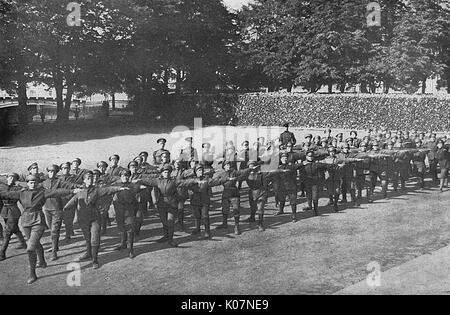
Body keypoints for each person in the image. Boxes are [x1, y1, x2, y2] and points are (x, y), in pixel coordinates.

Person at [0, 175, 78, 284]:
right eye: (30, 182)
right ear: (27, 183)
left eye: (34, 182)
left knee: (30, 248)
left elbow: (57, 192)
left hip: (38, 221)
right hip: (26, 222)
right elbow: (6, 193)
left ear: (37, 183)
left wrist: (72, 190)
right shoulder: (21, 193)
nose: (32, 184)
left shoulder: (42, 192)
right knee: (36, 244)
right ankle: (42, 262)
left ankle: (32, 274)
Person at [63, 172, 127, 269]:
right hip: (83, 219)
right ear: (84, 180)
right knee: (87, 238)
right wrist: (64, 209)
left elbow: (108, 190)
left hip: (95, 218)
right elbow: (70, 204)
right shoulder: (80, 192)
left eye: (92, 178)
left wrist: (119, 188)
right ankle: (88, 253)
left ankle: (95, 260)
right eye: (88, 178)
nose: (91, 179)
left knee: (95, 238)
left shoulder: (97, 191)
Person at [136, 165, 200, 247]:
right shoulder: (158, 181)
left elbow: (184, 182)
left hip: (172, 203)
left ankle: (171, 239)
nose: (167, 174)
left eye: (168, 172)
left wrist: (195, 181)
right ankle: (166, 236)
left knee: (170, 221)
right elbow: (148, 181)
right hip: (161, 204)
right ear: (162, 173)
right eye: (165, 172)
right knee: (164, 221)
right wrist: (139, 180)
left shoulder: (174, 181)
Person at [42, 164, 79, 261]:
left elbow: (69, 185)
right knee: (51, 230)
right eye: (50, 171)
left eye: (54, 171)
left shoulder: (60, 181)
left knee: (55, 231)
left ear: (56, 172)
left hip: (57, 209)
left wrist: (78, 187)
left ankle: (54, 252)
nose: (51, 173)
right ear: (48, 172)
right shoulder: (44, 182)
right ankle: (55, 246)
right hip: (47, 209)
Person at [111, 169, 148, 258]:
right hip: (119, 210)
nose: (126, 177)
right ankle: (123, 244)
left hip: (130, 211)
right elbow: (108, 190)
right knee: (122, 228)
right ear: (121, 177)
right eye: (123, 176)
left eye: (127, 176)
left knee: (130, 230)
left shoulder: (134, 186)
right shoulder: (116, 185)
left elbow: (144, 189)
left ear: (130, 177)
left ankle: (130, 249)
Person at [214, 161, 253, 235]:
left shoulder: (234, 172)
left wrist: (249, 169)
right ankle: (224, 224)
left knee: (236, 209)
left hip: (234, 192)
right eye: (226, 165)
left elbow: (242, 171)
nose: (228, 166)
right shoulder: (221, 175)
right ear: (224, 167)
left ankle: (236, 226)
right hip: (226, 193)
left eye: (229, 165)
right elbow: (215, 181)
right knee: (225, 209)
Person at [0, 173, 27, 261]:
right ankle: (24, 244)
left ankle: (2, 252)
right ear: (7, 178)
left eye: (14, 178)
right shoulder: (2, 187)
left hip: (14, 210)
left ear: (16, 180)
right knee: (14, 229)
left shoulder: (18, 188)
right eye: (10, 177)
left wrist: (26, 210)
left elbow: (22, 200)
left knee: (7, 231)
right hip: (4, 210)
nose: (11, 179)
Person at [274, 153, 303, 221]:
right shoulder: (279, 167)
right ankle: (281, 210)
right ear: (281, 159)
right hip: (282, 187)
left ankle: (294, 215)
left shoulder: (291, 166)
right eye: (283, 158)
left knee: (293, 201)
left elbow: (297, 166)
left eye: (286, 158)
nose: (285, 159)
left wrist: (302, 163)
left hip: (291, 186)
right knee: (282, 199)